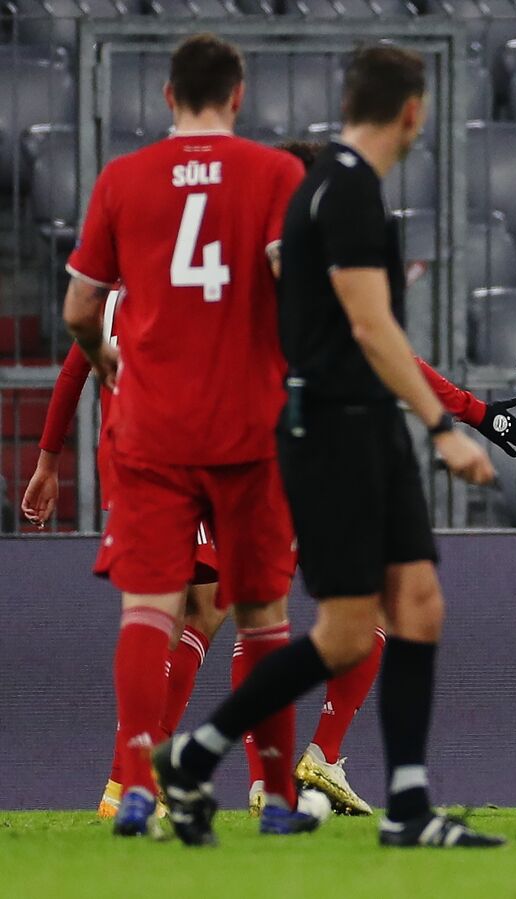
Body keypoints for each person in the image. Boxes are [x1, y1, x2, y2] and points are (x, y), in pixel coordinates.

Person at [156, 45, 504, 850]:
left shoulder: (333, 188)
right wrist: (444, 427)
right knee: (349, 631)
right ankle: (197, 751)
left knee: (416, 603)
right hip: (337, 428)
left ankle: (408, 807)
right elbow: (370, 323)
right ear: (413, 112)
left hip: (360, 424)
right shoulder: (345, 190)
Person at [61, 33, 309, 837]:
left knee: (149, 609)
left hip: (152, 427)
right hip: (244, 423)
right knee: (261, 610)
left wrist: (106, 360)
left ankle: (134, 783)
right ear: (238, 97)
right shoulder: (275, 173)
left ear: (168, 97)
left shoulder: (122, 179)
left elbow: (77, 310)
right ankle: (277, 799)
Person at [24, 287, 225, 819]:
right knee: (165, 612)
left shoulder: (114, 302)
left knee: (206, 606)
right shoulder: (168, 296)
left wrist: (47, 463)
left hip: (143, 468)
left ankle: (141, 774)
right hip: (171, 467)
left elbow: (74, 374)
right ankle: (128, 782)